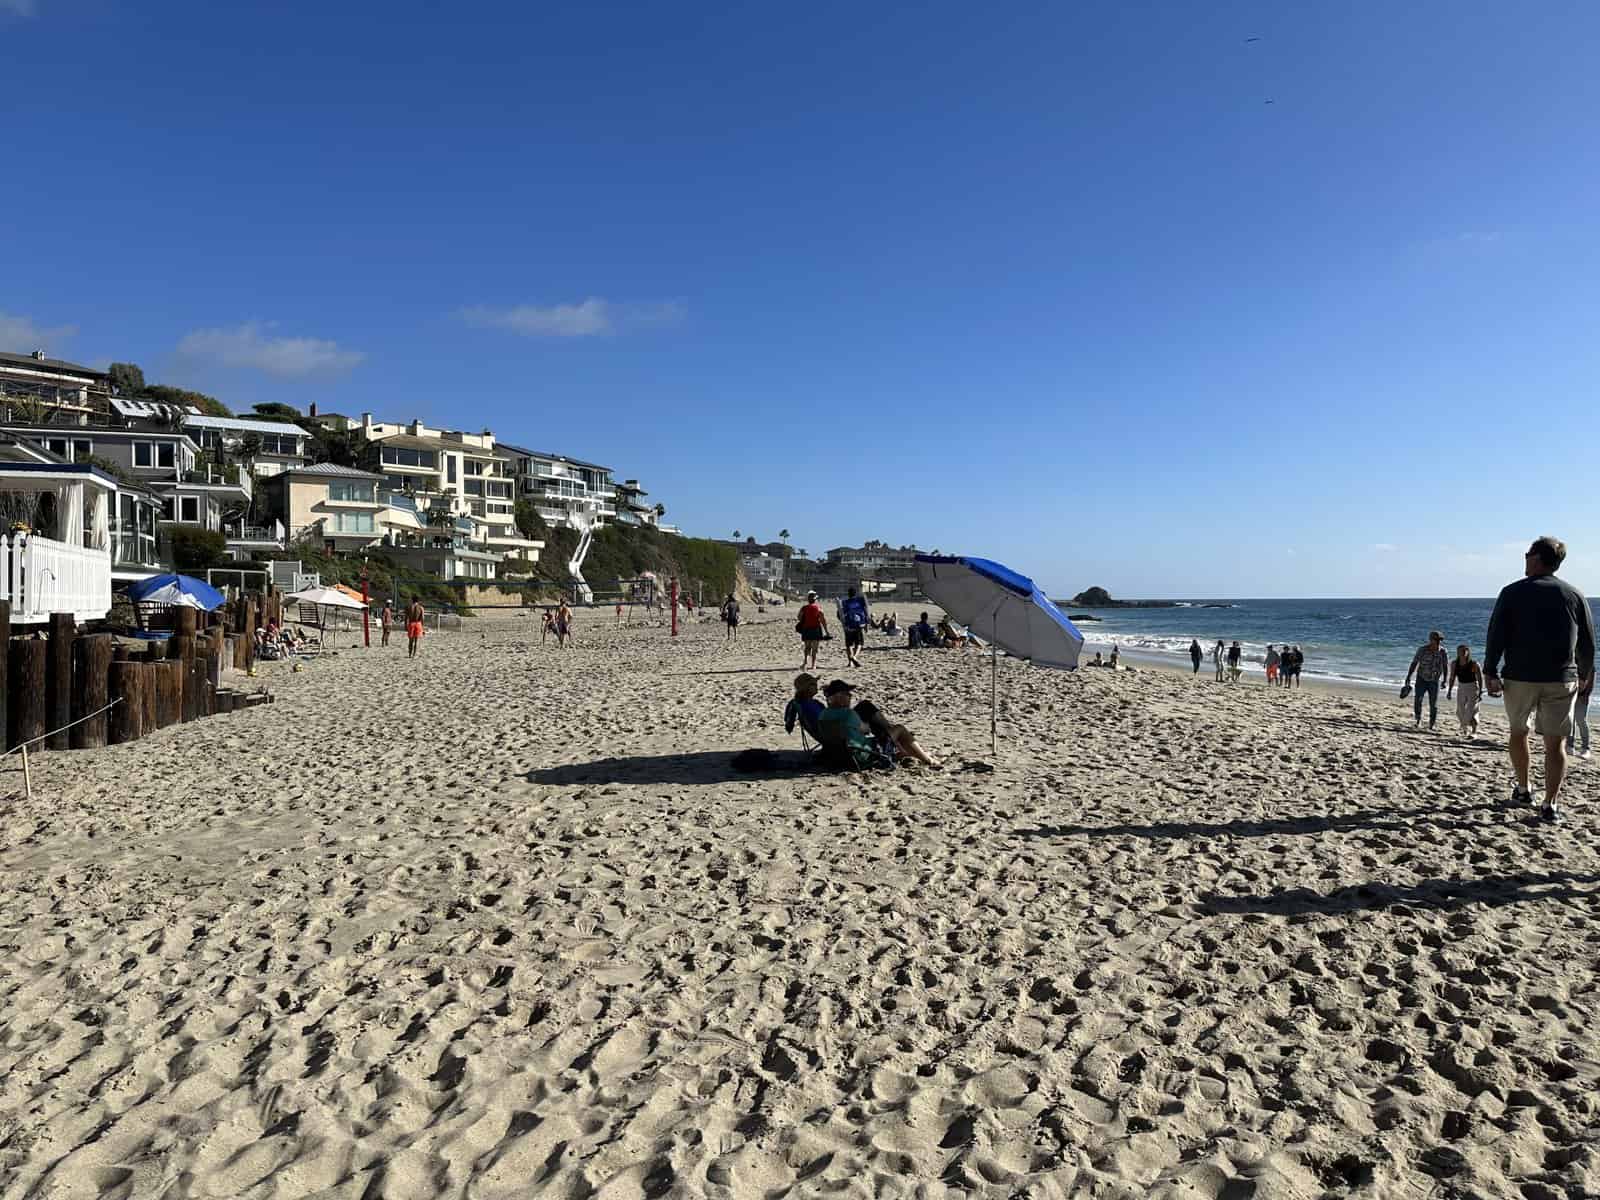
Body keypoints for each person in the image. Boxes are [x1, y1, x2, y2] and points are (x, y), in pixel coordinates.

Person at [1484, 536, 1596, 822]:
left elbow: (1496, 634)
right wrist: (1586, 674)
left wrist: (1490, 670)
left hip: (1520, 677)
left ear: (1536, 558)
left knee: (1519, 732)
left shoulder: (1511, 592)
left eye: (1527, 554)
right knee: (1555, 744)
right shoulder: (1574, 594)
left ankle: (1523, 789)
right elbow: (1587, 641)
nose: (1524, 558)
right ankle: (1550, 804)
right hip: (1561, 678)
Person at [817, 679, 941, 769]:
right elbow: (865, 730)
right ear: (838, 696)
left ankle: (907, 752)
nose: (850, 697)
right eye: (848, 694)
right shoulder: (849, 714)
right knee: (899, 729)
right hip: (860, 756)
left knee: (880, 725)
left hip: (838, 757)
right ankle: (928, 760)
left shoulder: (823, 714)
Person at [1404, 630, 1449, 730]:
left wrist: (1445, 680)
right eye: (1435, 640)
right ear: (1430, 639)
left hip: (1434, 680)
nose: (1438, 642)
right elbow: (1414, 663)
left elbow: (1445, 666)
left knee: (1434, 704)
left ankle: (1431, 724)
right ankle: (1418, 720)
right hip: (1421, 679)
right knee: (1418, 700)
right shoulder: (1422, 650)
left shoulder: (1443, 651)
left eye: (1439, 640)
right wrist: (1408, 677)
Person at [1447, 643, 1484, 739]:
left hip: (1473, 687)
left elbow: (1480, 678)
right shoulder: (1454, 664)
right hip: (1461, 687)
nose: (1462, 653)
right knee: (1460, 711)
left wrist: (1480, 691)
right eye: (1460, 651)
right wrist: (1449, 691)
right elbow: (1452, 678)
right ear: (1457, 652)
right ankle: (1464, 729)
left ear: (1468, 652)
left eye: (1464, 651)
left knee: (1472, 711)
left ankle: (1474, 732)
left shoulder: (1474, 664)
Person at [784, 673, 825, 742]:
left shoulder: (809, 702)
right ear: (805, 688)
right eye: (813, 684)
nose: (816, 686)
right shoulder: (806, 704)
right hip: (829, 734)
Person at [838, 586, 871, 667]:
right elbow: (866, 610)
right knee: (859, 644)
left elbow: (839, 614)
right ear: (855, 594)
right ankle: (855, 657)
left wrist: (844, 624)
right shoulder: (860, 601)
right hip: (859, 625)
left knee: (849, 645)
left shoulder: (844, 602)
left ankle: (850, 662)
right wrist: (866, 623)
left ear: (848, 594)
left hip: (848, 625)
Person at [797, 591, 829, 669]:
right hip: (816, 629)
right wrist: (826, 631)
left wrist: (805, 620)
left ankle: (805, 662)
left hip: (806, 629)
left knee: (807, 647)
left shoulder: (804, 608)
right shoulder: (819, 608)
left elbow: (799, 617)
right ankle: (813, 665)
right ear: (815, 600)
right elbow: (823, 621)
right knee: (814, 648)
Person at [1570, 671, 1593, 761]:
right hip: (1570, 693)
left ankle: (1585, 748)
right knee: (1570, 720)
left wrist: (1586, 694)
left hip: (1582, 696)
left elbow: (1591, 678)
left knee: (1581, 720)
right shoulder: (1571, 660)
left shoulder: (1587, 663)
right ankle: (1570, 745)